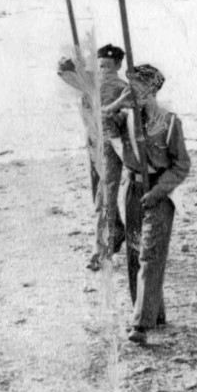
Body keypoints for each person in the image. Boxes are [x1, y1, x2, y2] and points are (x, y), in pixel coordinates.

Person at [104, 64, 191, 346]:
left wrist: (158, 192)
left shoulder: (168, 121)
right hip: (133, 187)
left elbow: (181, 165)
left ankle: (140, 322)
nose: (134, 92)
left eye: (139, 86)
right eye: (130, 86)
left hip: (160, 192)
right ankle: (153, 313)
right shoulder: (124, 118)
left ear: (152, 88)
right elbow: (99, 123)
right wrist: (117, 103)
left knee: (150, 256)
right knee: (134, 254)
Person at [57, 43, 128, 271]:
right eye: (102, 66)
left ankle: (102, 251)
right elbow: (62, 70)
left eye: (107, 66)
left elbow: (62, 70)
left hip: (106, 146)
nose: (104, 70)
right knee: (100, 194)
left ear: (116, 66)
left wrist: (73, 62)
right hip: (98, 146)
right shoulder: (96, 82)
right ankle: (115, 232)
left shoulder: (108, 84)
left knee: (104, 198)